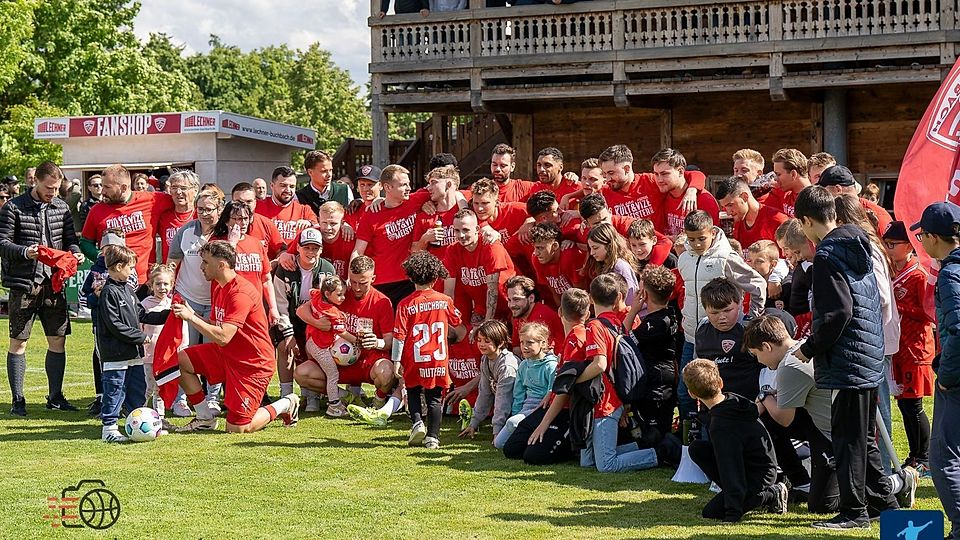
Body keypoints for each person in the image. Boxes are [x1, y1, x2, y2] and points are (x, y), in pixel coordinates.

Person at [793, 185, 899, 529]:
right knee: (863, 438)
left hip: (848, 359)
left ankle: (855, 513)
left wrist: (808, 348)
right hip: (867, 352)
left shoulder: (826, 255)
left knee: (848, 439)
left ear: (807, 221)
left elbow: (837, 313)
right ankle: (887, 506)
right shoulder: (859, 243)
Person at [174, 241, 300, 433]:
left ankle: (285, 403)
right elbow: (218, 328)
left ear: (221, 265)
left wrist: (191, 317)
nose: (201, 267)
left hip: (252, 364)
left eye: (206, 262)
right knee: (178, 361)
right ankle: (204, 417)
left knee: (237, 428)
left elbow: (224, 336)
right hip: (227, 354)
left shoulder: (240, 292)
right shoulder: (219, 286)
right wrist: (192, 313)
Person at [0, 161, 84, 416]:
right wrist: (26, 252)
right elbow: (2, 243)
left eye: (57, 189)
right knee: (19, 342)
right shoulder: (13, 207)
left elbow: (71, 240)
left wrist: (76, 254)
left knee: (57, 339)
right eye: (49, 188)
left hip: (54, 284)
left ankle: (55, 397)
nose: (53, 193)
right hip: (24, 284)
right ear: (35, 181)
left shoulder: (61, 207)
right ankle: (18, 401)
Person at [576, 273, 679, 473]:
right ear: (617, 300)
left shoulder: (654, 322)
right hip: (631, 389)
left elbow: (601, 362)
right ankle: (649, 446)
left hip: (635, 391)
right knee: (588, 462)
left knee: (606, 465)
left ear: (590, 298)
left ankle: (660, 452)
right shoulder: (617, 321)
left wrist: (573, 379)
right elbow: (624, 337)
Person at [676, 210, 765, 420]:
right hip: (693, 336)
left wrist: (750, 320)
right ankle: (692, 438)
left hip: (728, 336)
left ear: (713, 232)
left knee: (720, 391)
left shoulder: (725, 257)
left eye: (701, 238)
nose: (697, 244)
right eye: (691, 239)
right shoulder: (684, 258)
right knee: (685, 392)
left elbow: (758, 284)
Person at [682, 359, 788, 522]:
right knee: (697, 448)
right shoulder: (733, 400)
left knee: (711, 512)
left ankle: (772, 493)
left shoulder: (722, 425)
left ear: (692, 394)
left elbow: (731, 467)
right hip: (758, 463)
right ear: (720, 383)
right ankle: (741, 493)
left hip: (760, 474)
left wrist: (732, 513)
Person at [913, 201, 960, 539]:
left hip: (957, 380)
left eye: (922, 234)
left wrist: (948, 377)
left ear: (932, 237)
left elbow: (958, 330)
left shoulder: (951, 274)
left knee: (943, 457)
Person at [504, 287, 590, 465]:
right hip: (548, 404)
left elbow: (564, 391)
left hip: (567, 411)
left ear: (559, 312)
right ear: (588, 314)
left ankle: (570, 445)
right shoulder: (568, 339)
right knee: (511, 449)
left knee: (534, 456)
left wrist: (544, 423)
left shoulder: (577, 339)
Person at [94, 245, 169, 442]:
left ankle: (136, 423)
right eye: (131, 267)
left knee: (137, 388)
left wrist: (168, 315)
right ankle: (109, 428)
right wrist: (140, 337)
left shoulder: (128, 289)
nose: (133, 271)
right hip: (116, 353)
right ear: (119, 267)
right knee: (115, 389)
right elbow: (114, 325)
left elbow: (142, 315)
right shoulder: (109, 292)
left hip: (134, 354)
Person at [393, 251, 465, 449]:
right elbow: (457, 322)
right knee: (434, 398)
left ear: (410, 276)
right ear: (435, 277)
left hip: (414, 357)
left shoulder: (405, 304)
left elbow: (399, 335)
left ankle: (417, 423)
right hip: (438, 358)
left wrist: (396, 361)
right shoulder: (445, 301)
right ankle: (433, 437)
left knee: (414, 391)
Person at [883, 221, 935, 476]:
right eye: (887, 244)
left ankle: (924, 457)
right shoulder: (893, 272)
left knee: (914, 406)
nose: (888, 249)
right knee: (904, 406)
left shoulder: (918, 275)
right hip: (899, 348)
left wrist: (899, 308)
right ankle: (914, 455)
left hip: (915, 349)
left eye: (893, 245)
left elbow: (928, 313)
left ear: (909, 246)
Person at [167, 189, 225, 416]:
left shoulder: (224, 234)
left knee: (214, 351)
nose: (203, 214)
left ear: (219, 210)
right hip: (187, 298)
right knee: (184, 350)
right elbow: (172, 263)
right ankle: (181, 400)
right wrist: (169, 293)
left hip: (215, 301)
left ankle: (212, 398)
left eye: (208, 210)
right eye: (200, 209)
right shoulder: (185, 231)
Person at [80, 164, 174, 288]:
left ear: (124, 187)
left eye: (107, 187)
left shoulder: (152, 200)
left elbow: (182, 203)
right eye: (102, 186)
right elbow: (85, 242)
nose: (102, 191)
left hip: (145, 283)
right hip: (111, 283)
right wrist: (101, 256)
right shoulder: (96, 210)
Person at [351, 164, 431, 307]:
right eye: (403, 185)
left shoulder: (415, 200)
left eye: (409, 184)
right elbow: (358, 251)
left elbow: (446, 189)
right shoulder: (371, 214)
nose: (408, 188)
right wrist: (352, 277)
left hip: (409, 279)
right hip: (381, 283)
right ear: (387, 188)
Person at [274, 228, 336, 406]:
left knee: (314, 348)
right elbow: (280, 305)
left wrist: (317, 322)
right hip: (290, 317)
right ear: (298, 248)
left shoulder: (327, 269)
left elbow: (329, 302)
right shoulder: (284, 269)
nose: (310, 252)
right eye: (306, 247)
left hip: (316, 319)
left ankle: (312, 396)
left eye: (315, 248)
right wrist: (288, 334)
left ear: (321, 249)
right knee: (284, 347)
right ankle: (286, 395)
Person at [623, 265, 679, 436]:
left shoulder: (653, 324)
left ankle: (664, 453)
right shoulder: (670, 314)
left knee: (655, 434)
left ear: (645, 295)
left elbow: (624, 337)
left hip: (656, 382)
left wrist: (633, 310)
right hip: (663, 376)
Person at [443, 208, 516, 321]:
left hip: (510, 306)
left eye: (466, 230)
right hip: (481, 308)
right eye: (457, 230)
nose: (461, 235)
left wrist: (487, 324)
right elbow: (449, 292)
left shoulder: (491, 246)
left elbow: (493, 290)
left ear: (477, 229)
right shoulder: (452, 250)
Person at [493, 322, 557, 449]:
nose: (524, 347)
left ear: (542, 343)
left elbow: (552, 391)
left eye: (530, 343)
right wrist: (516, 412)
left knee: (513, 423)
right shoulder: (523, 365)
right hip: (526, 408)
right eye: (522, 342)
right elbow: (519, 393)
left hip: (542, 409)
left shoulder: (550, 366)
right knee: (499, 443)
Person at [300, 275, 353, 417]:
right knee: (333, 374)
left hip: (311, 342)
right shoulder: (333, 312)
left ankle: (319, 398)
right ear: (328, 294)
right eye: (340, 295)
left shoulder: (317, 295)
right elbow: (342, 332)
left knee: (324, 371)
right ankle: (334, 405)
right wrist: (357, 341)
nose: (343, 298)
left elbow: (312, 291)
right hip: (320, 347)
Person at [460, 319, 519, 442]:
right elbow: (484, 393)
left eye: (487, 341)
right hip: (506, 410)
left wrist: (497, 431)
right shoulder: (486, 359)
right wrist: (473, 424)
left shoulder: (507, 365)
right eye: (479, 340)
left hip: (517, 409)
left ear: (501, 342)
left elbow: (503, 400)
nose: (481, 344)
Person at [651, 148, 720, 237]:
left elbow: (712, 238)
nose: (659, 180)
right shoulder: (663, 193)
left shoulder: (704, 199)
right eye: (656, 174)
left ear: (680, 171)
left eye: (665, 174)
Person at [715, 176, 789, 257]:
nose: (728, 212)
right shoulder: (738, 221)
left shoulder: (778, 221)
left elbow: (790, 261)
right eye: (725, 207)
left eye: (730, 205)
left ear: (745, 197)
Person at [140, 263, 174, 427]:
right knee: (147, 387)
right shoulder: (145, 304)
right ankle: (139, 412)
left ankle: (159, 417)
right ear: (151, 285)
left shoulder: (172, 304)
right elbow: (139, 327)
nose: (162, 287)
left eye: (166, 284)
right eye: (158, 284)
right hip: (148, 354)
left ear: (171, 285)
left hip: (165, 355)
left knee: (161, 387)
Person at [818, 165, 893, 235]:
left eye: (825, 192)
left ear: (838, 189)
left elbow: (889, 247)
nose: (824, 197)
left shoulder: (878, 214)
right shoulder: (833, 214)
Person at [581, 223, 640, 306]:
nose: (592, 253)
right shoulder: (603, 265)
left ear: (609, 246)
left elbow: (630, 299)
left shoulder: (620, 266)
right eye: (590, 248)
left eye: (595, 248)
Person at [529, 222, 585, 308]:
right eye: (535, 247)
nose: (536, 253)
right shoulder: (536, 259)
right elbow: (554, 292)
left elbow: (581, 294)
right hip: (566, 306)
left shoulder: (569, 256)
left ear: (555, 246)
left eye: (540, 248)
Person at [255, 166, 317, 242]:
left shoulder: (304, 210)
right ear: (272, 186)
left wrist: (309, 223)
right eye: (283, 186)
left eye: (292, 186)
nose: (288, 190)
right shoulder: (257, 207)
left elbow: (318, 228)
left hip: (294, 253)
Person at [504, 275, 563, 355]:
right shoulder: (519, 314)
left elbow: (546, 353)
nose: (511, 305)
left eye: (516, 299)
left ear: (531, 298)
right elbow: (516, 347)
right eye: (509, 300)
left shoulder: (541, 317)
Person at [230, 182, 284, 260]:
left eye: (249, 202)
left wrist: (272, 265)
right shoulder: (224, 225)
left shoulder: (266, 224)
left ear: (255, 202)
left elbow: (282, 250)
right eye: (239, 202)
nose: (244, 205)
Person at [155, 170, 198, 264]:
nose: (178, 192)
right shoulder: (163, 217)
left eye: (183, 188)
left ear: (195, 191)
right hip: (171, 274)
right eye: (174, 187)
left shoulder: (200, 216)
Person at [746, 240, 790, 310]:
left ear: (773, 264)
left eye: (759, 261)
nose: (752, 266)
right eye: (750, 261)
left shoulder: (786, 286)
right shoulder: (747, 284)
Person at [770, 148, 811, 218]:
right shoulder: (784, 192)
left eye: (778, 174)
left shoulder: (814, 200)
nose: (775, 179)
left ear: (793, 174)